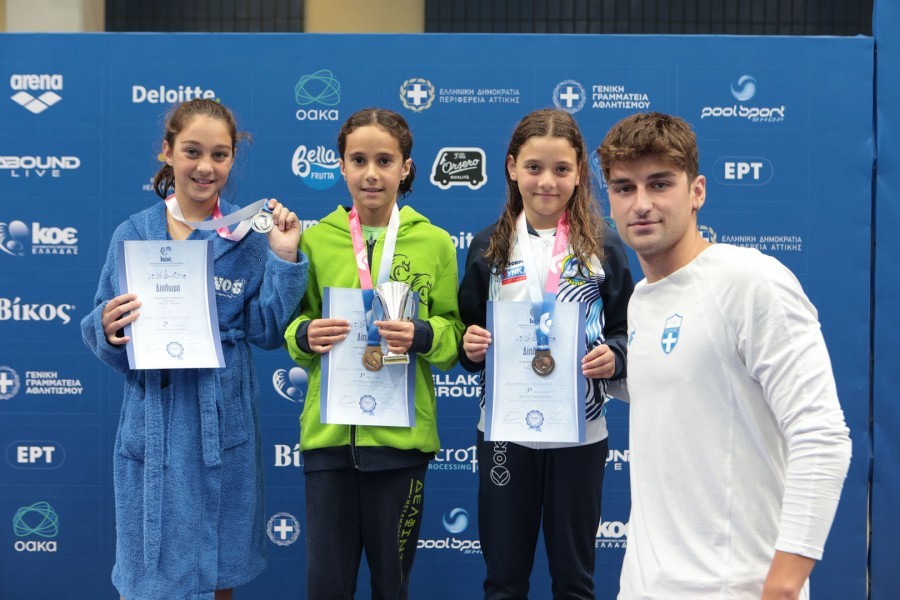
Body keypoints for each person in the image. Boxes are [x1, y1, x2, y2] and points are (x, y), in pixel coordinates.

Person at [596, 112, 852, 600]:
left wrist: (784, 585)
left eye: (659, 184)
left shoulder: (750, 281)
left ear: (697, 192)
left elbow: (822, 437)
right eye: (624, 188)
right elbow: (685, 394)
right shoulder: (641, 300)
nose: (641, 204)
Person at [81, 98, 308, 599]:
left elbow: (268, 330)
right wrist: (107, 326)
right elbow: (104, 330)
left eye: (219, 155)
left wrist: (285, 258)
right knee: (148, 576)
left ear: (232, 158)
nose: (206, 166)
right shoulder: (133, 234)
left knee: (218, 566)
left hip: (220, 417)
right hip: (155, 420)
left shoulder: (248, 236)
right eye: (192, 151)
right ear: (167, 152)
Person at [284, 107, 464, 600]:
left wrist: (422, 334)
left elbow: (453, 336)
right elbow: (294, 326)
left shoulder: (434, 243)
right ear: (341, 166)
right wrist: (306, 335)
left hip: (401, 447)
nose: (371, 173)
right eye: (358, 160)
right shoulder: (316, 240)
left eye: (384, 161)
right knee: (327, 588)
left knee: (392, 587)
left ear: (406, 167)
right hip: (329, 443)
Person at [458, 108, 634, 599]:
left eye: (561, 169)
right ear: (512, 167)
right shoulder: (487, 248)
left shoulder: (604, 247)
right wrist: (470, 347)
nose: (547, 182)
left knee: (575, 581)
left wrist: (616, 355)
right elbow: (467, 335)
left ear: (579, 173)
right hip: (505, 434)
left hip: (579, 434)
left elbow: (627, 330)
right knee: (504, 580)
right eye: (534, 167)